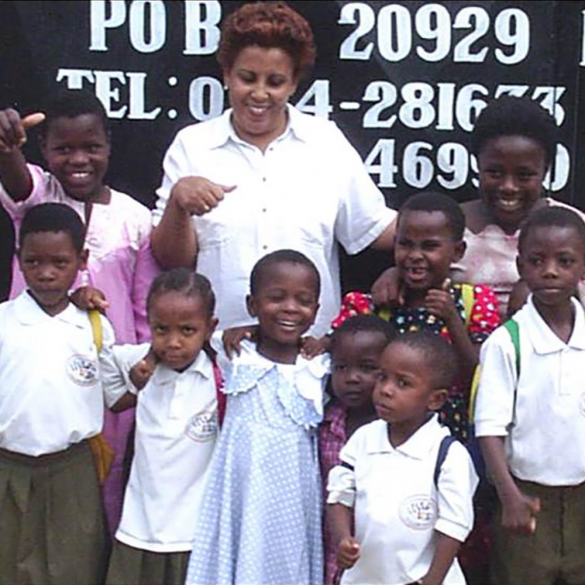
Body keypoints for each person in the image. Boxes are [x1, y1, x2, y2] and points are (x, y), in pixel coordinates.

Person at [151, 0, 396, 337]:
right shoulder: (192, 146)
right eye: (247, 78)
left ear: (294, 83)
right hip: (220, 355)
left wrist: (457, 236)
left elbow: (373, 228)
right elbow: (171, 260)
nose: (259, 94)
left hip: (310, 359)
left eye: (275, 81)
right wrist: (179, 204)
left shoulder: (325, 143)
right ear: (226, 75)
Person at [0, 89, 160, 535]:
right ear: (44, 151)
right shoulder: (37, 198)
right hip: (40, 375)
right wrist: (7, 148)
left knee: (104, 481)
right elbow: (17, 181)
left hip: (110, 377)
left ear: (109, 144)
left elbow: (143, 304)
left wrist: (139, 367)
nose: (78, 159)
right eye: (63, 148)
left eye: (91, 147)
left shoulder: (135, 217)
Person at [185, 249, 330, 585]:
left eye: (303, 300)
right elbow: (195, 334)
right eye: (276, 298)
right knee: (238, 548)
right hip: (241, 480)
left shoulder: (317, 366)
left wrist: (326, 342)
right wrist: (247, 329)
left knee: (287, 557)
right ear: (252, 305)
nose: (290, 308)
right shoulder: (234, 351)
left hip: (293, 489)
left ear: (316, 311)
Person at [372, 95, 585, 320]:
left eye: (524, 175)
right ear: (477, 164)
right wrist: (396, 274)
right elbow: (419, 270)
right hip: (458, 351)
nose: (508, 187)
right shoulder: (448, 226)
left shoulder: (574, 229)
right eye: (494, 172)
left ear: (546, 169)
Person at [0, 203, 123, 584]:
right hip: (8, 466)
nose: (47, 273)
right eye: (34, 262)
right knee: (9, 563)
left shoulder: (94, 325)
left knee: (76, 565)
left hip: (74, 468)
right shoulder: (4, 321)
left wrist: (156, 364)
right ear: (19, 260)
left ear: (82, 260)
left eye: (60, 262)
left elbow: (115, 395)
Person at [315, 191, 500, 442]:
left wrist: (452, 320)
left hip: (446, 442)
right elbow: (326, 353)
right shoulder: (367, 306)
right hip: (374, 442)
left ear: (457, 251)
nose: (415, 255)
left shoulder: (475, 303)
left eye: (430, 246)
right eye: (405, 244)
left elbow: (482, 378)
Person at [474, 206, 585, 585]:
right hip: (527, 497)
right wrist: (508, 495)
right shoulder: (508, 343)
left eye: (565, 261)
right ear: (521, 266)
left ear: (582, 267)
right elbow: (489, 428)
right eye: (537, 260)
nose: (550, 270)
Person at [101, 269, 223, 585]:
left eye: (187, 330)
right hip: (139, 529)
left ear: (210, 328)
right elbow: (105, 362)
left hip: (195, 533)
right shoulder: (140, 362)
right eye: (160, 329)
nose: (173, 342)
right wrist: (140, 379)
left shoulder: (220, 372)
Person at [327, 331, 479, 585]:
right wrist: (343, 539)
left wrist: (432, 580)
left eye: (403, 383)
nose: (385, 390)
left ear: (435, 399)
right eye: (382, 377)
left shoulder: (448, 456)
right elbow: (339, 494)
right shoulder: (364, 439)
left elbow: (454, 527)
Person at [319, 314, 395, 585]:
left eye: (366, 368)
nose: (352, 378)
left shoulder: (397, 430)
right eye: (340, 367)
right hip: (334, 548)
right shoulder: (324, 422)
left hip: (384, 555)